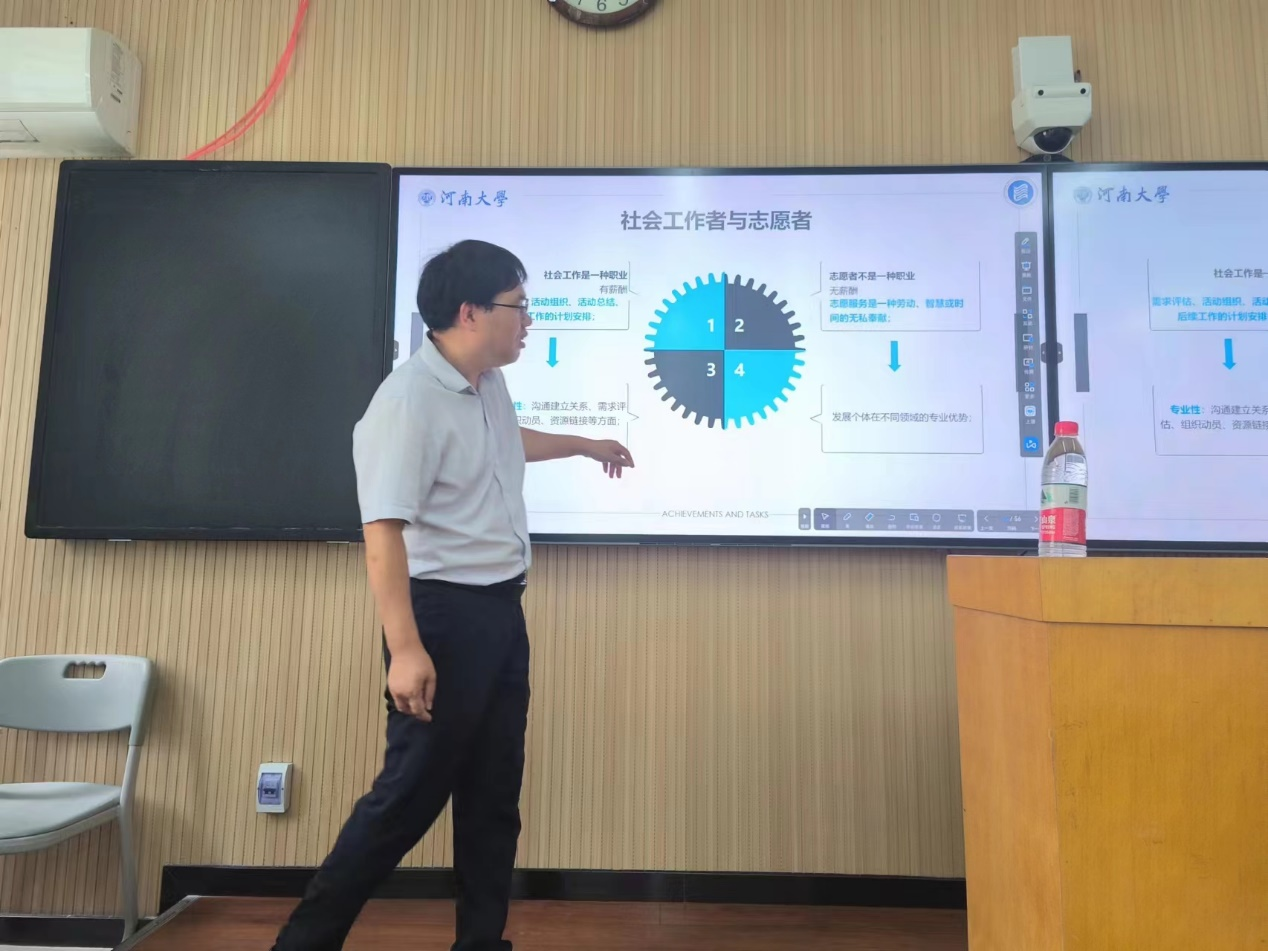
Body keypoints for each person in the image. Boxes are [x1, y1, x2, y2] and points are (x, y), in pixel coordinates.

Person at [271, 239, 634, 951]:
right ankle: (301, 944)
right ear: (470, 312)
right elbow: (382, 531)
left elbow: (504, 442)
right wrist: (405, 649)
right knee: (405, 801)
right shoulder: (406, 402)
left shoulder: (484, 383)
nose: (529, 320)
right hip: (442, 620)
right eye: (519, 306)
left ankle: (481, 943)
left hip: (500, 612)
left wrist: (584, 445)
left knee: (494, 796)